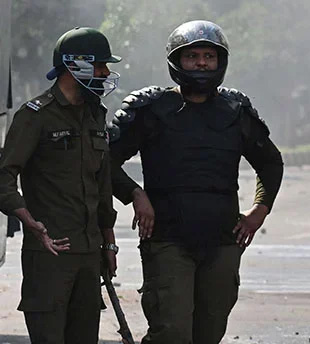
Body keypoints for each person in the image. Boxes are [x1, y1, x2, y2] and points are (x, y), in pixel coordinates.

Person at [109, 20, 283, 344]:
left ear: (220, 62)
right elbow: (104, 160)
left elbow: (271, 163)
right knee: (171, 331)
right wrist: (135, 194)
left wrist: (260, 211)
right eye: (192, 56)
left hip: (222, 240)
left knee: (210, 331)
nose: (202, 63)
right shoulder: (152, 109)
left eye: (209, 56)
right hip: (167, 239)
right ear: (177, 61)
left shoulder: (235, 111)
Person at [0, 27, 120, 343]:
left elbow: (103, 186)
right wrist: (29, 221)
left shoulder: (96, 115)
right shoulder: (35, 116)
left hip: (89, 254)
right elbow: (4, 176)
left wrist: (108, 243)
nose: (106, 73)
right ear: (74, 65)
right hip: (50, 254)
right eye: (99, 65)